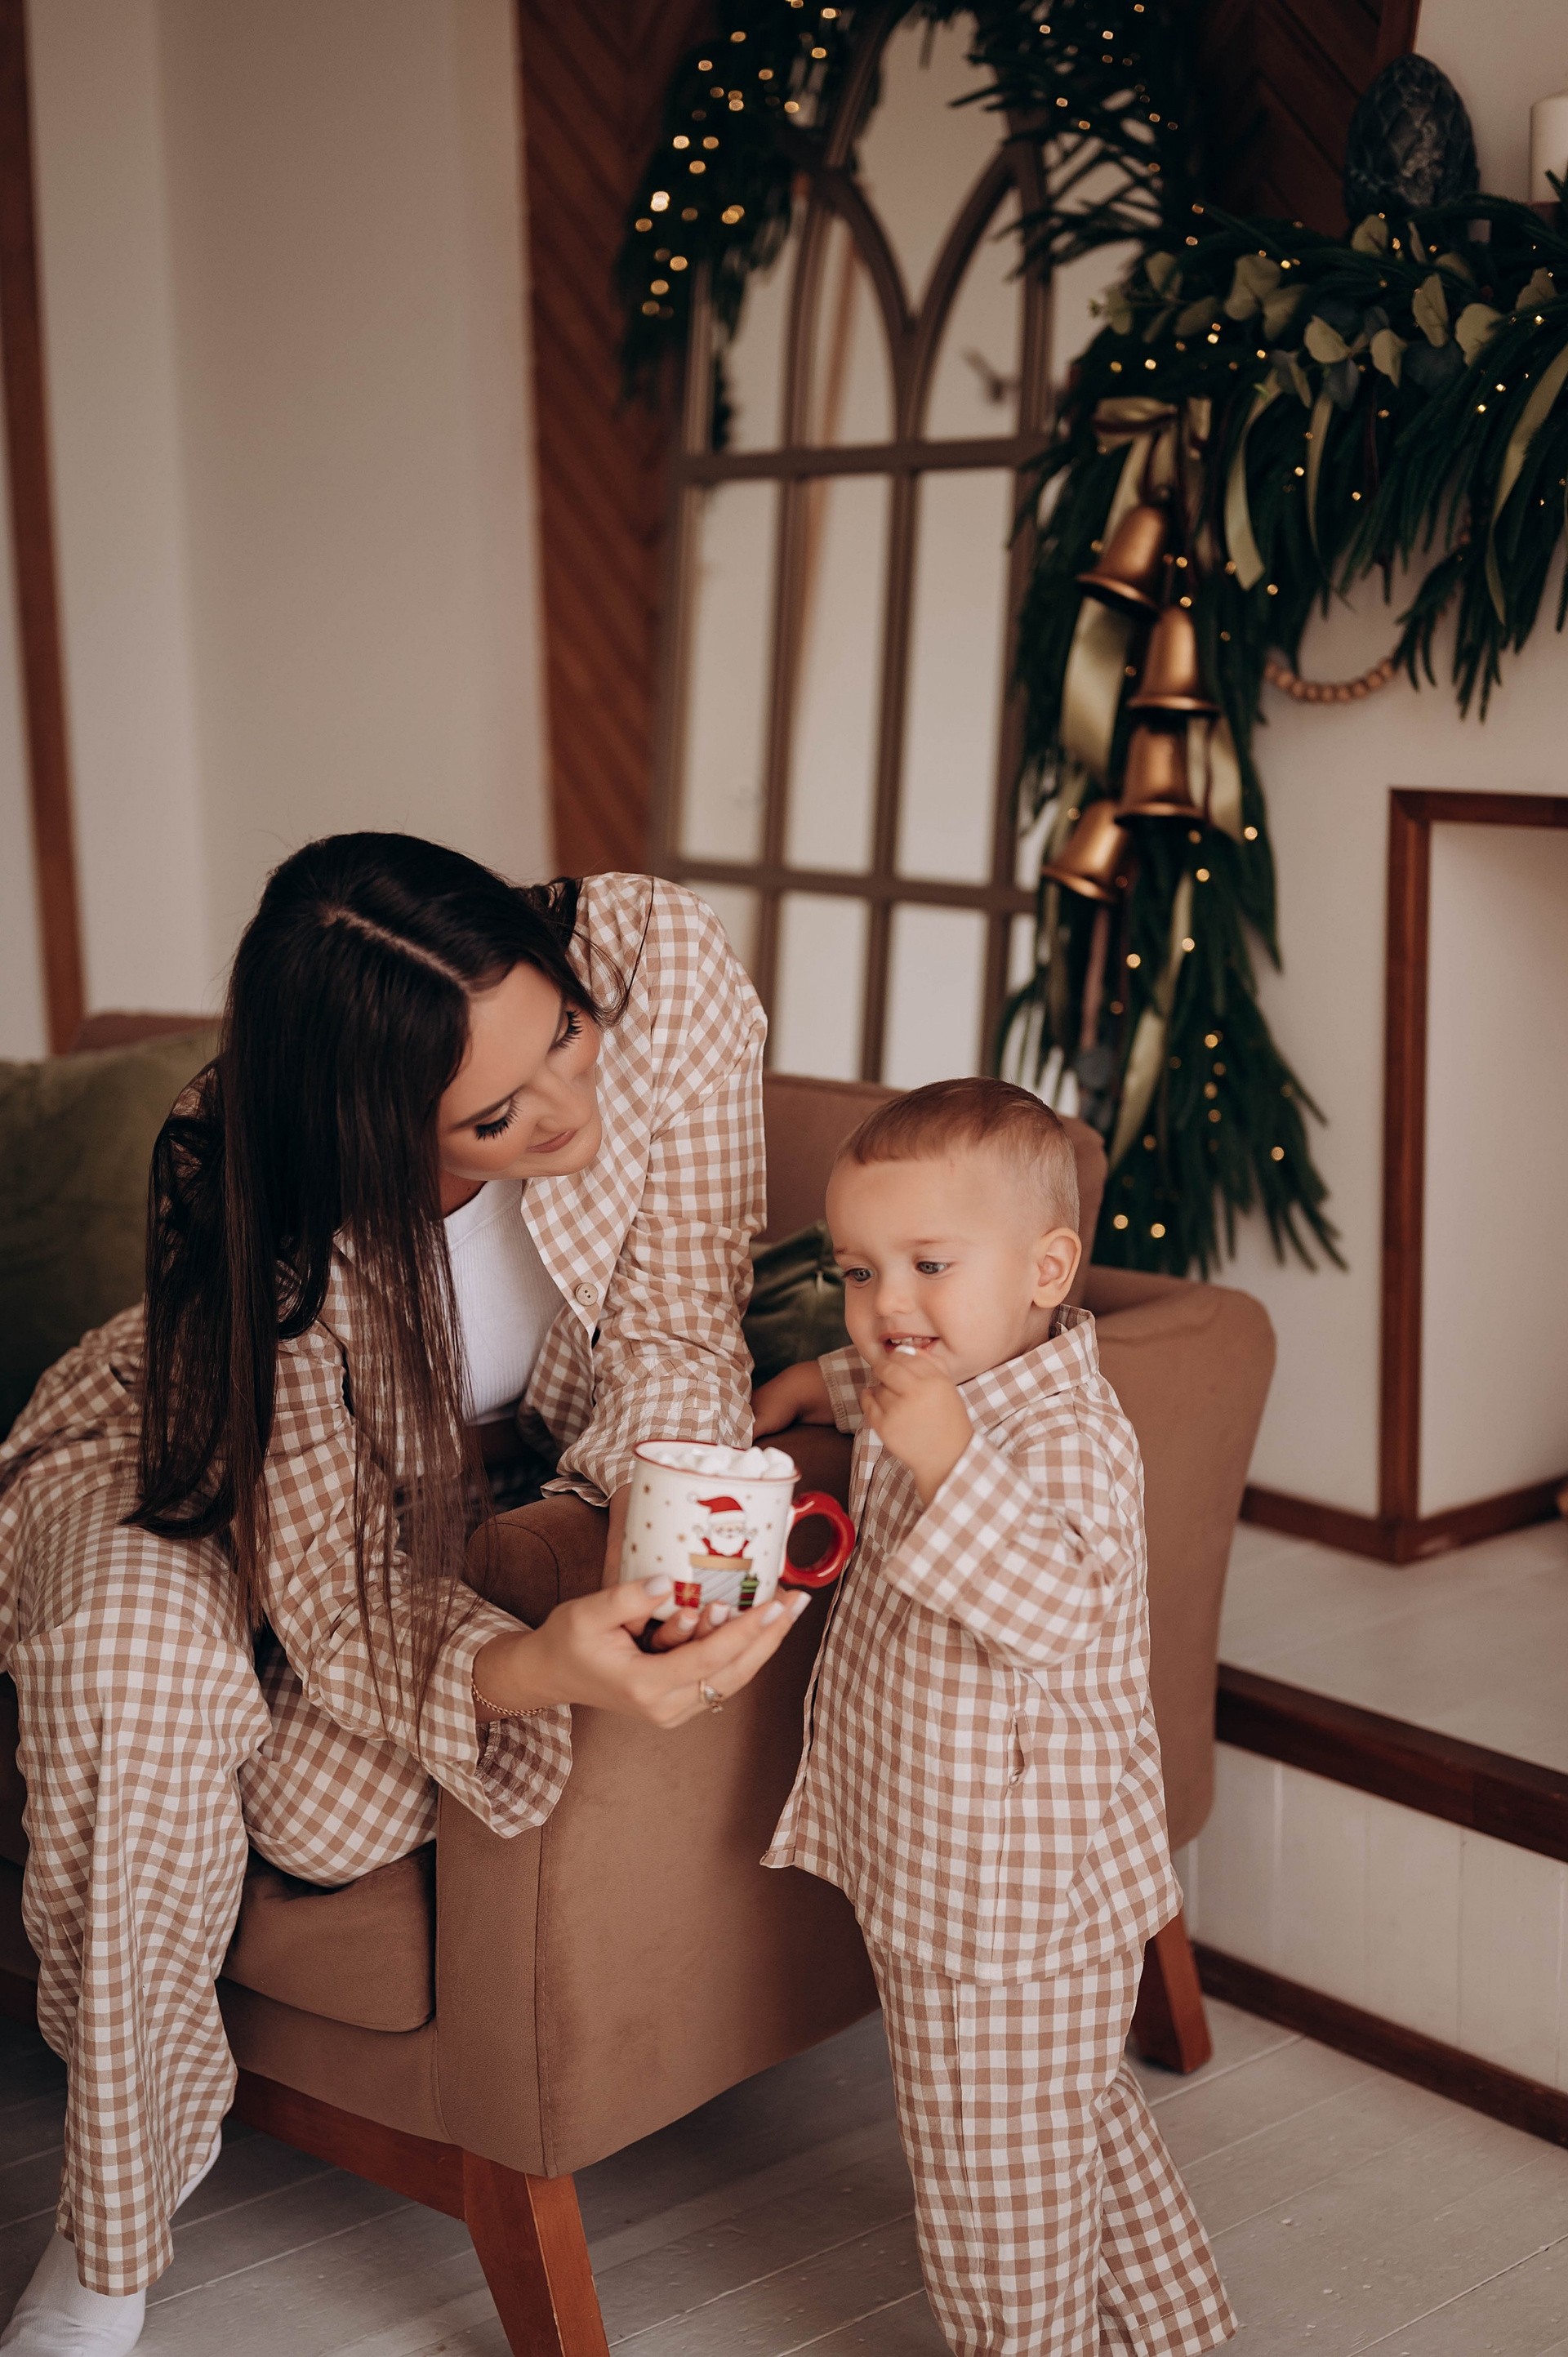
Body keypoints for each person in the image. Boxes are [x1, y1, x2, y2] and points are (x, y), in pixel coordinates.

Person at [0, 835, 808, 2356]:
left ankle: (191, 1762)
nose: (567, 1107)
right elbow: (328, 1566)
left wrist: (659, 1551)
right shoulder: (258, 1172)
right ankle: (106, 2243)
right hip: (187, 1445)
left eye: (561, 1030)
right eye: (497, 1116)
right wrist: (537, 1667)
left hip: (434, 1502)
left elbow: (679, 1325)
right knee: (133, 1671)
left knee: (326, 1816)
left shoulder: (655, 966)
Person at [753, 1077, 1235, 2357]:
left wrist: (947, 1461)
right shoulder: (949, 1373)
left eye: (928, 1265)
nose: (887, 1307)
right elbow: (897, 1376)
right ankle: (1167, 2329)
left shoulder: (1063, 1435)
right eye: (859, 1272)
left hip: (1005, 1898)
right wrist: (813, 1381)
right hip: (986, 1867)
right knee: (1064, 2113)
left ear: (1046, 1270)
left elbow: (1063, 1607)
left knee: (990, 2186)